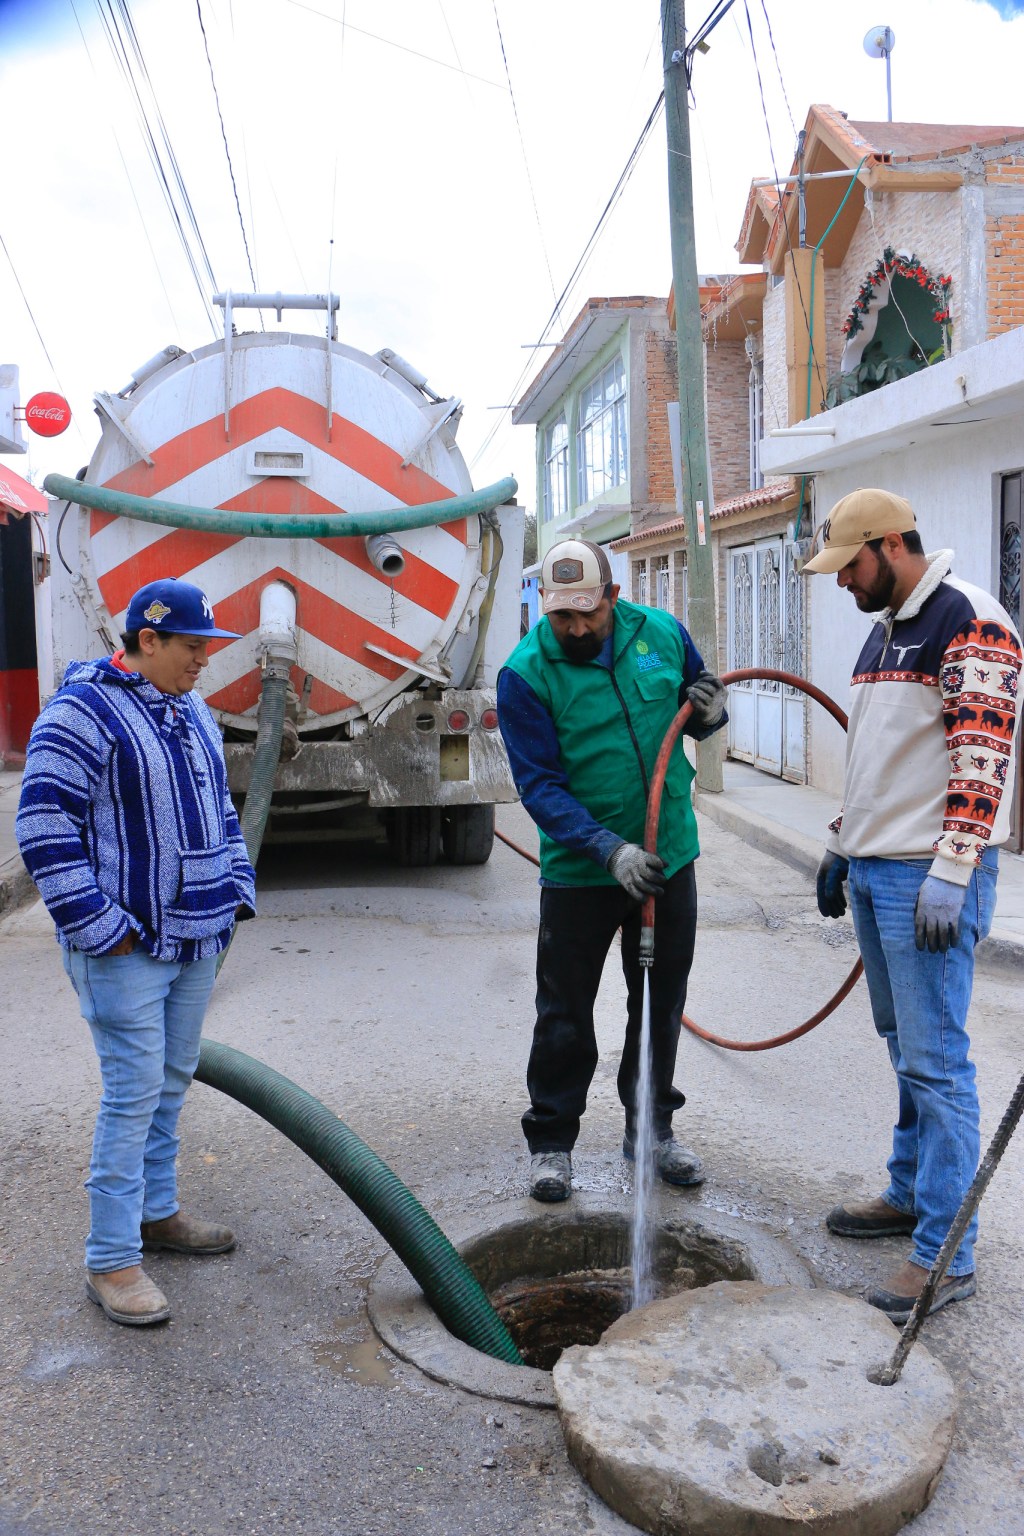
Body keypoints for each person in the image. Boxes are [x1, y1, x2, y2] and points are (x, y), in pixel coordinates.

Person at [804, 488, 1022, 1322]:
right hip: (876, 866)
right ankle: (909, 1194)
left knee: (938, 1062)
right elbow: (881, 758)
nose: (840, 583)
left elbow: (983, 757)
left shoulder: (969, 621)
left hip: (924, 880)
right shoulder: (887, 625)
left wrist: (955, 869)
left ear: (890, 545)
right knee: (905, 1047)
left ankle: (945, 1255)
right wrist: (840, 837)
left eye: (849, 565)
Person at [16, 578, 257, 1327]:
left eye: (206, 649)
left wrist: (236, 882)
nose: (203, 663)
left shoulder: (190, 710)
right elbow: (42, 824)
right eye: (191, 649)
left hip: (194, 935)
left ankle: (157, 1214)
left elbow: (220, 804)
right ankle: (111, 1260)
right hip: (124, 945)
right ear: (146, 641)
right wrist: (99, 926)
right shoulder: (81, 712)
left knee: (171, 1080)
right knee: (131, 1093)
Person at [497, 538, 727, 1202]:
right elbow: (539, 787)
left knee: (659, 1000)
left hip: (667, 859)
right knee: (564, 1012)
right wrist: (608, 850)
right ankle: (551, 1144)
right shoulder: (526, 673)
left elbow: (701, 708)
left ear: (613, 598)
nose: (572, 629)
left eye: (586, 615)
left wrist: (712, 715)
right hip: (582, 873)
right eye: (560, 615)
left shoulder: (662, 633)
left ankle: (651, 1134)